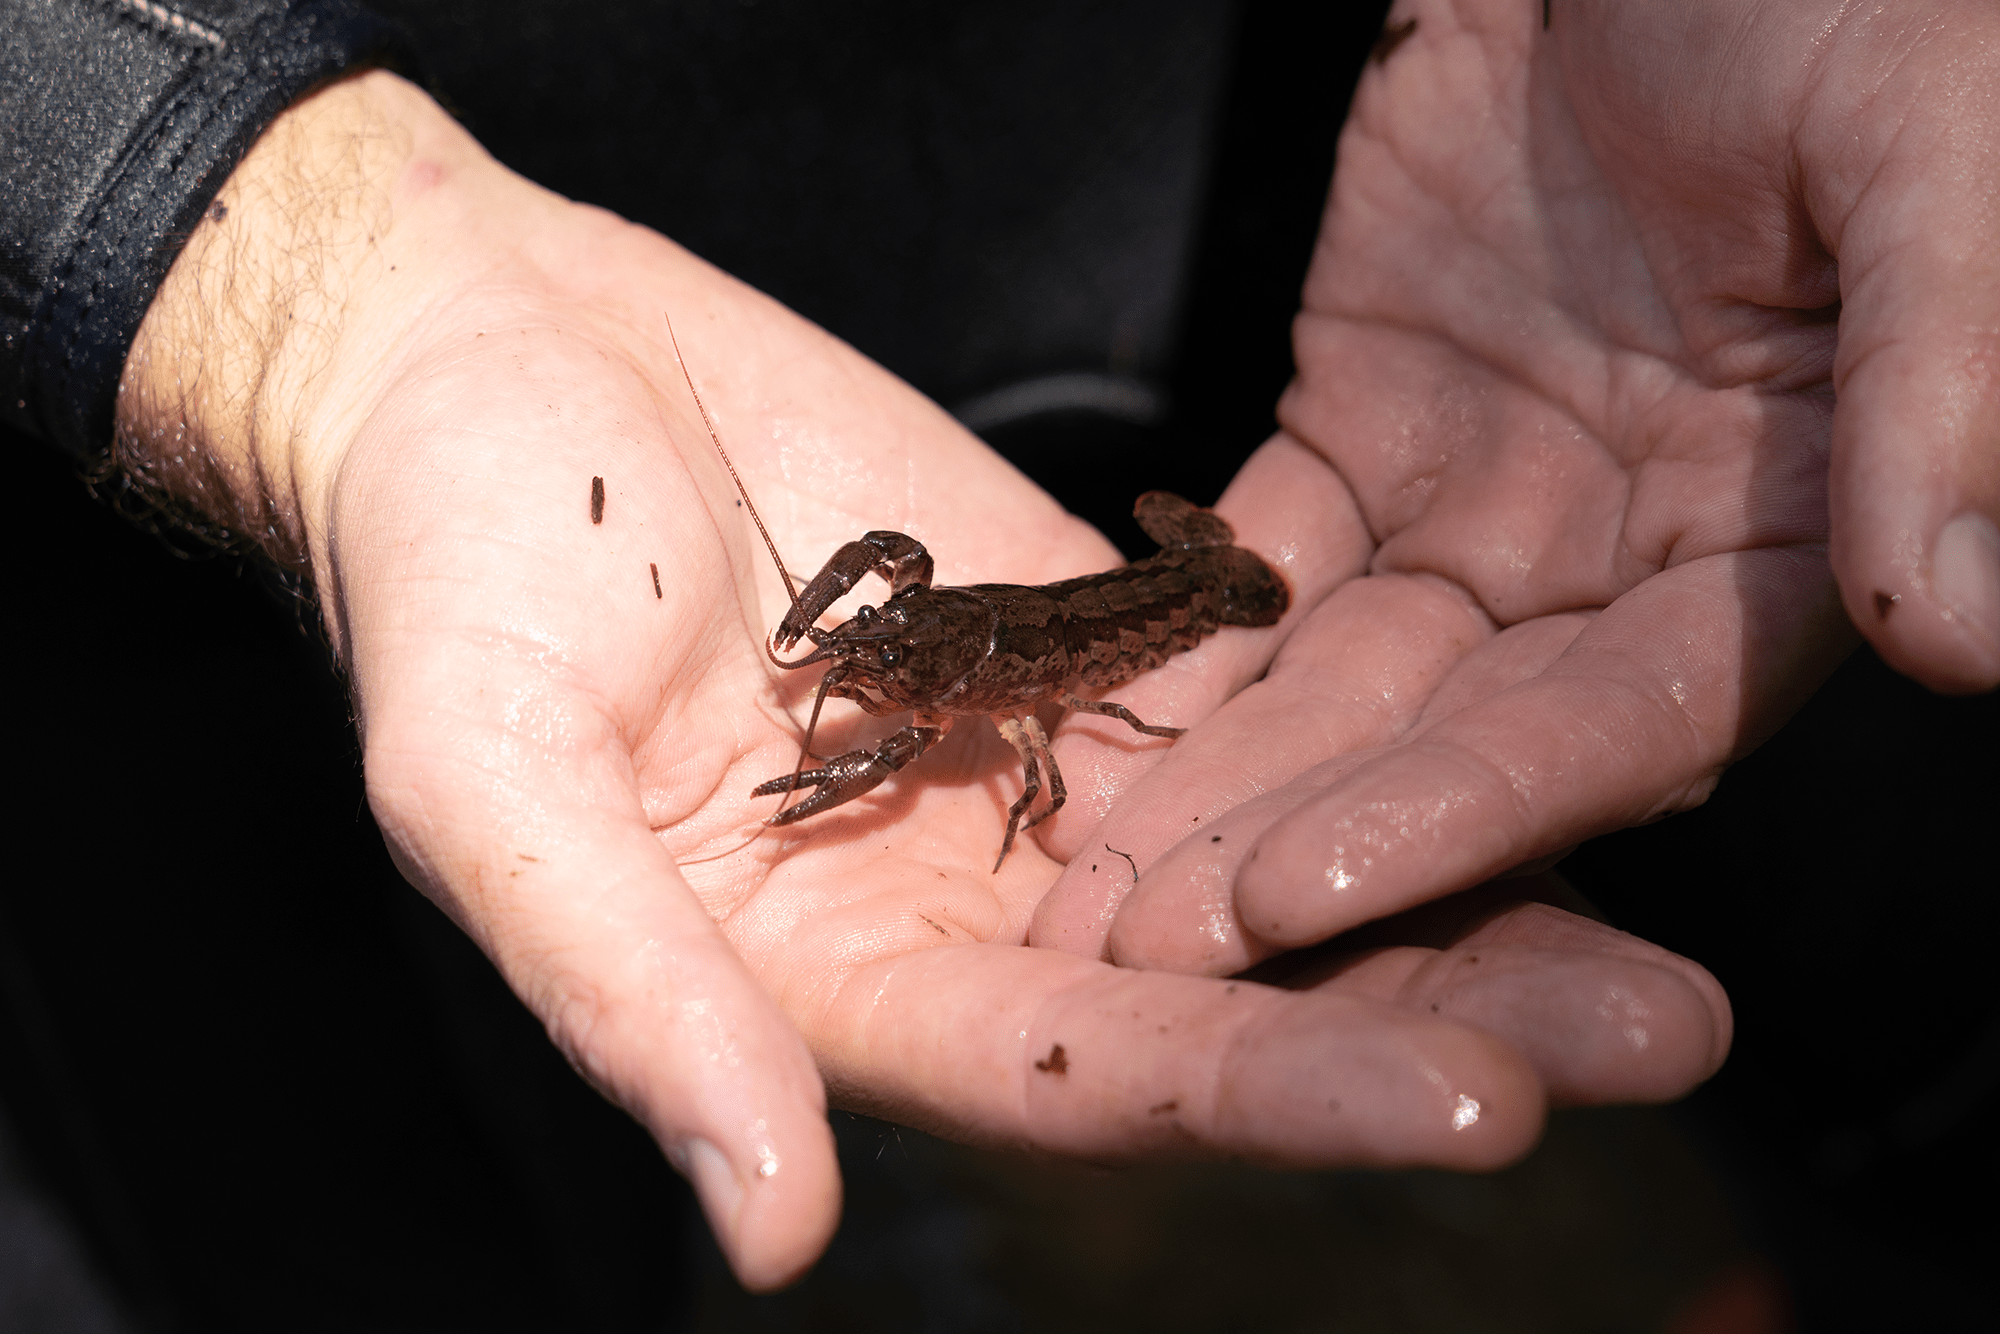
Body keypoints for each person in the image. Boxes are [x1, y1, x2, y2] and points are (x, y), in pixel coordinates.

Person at [6, 0, 1993, 1295]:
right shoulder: (914, 636)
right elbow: (894, 606)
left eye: (876, 661)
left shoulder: (1013, 686)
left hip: (1286, 197)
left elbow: (1001, 726)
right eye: (870, 644)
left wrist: (938, 727)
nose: (864, 661)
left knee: (1861, 950)